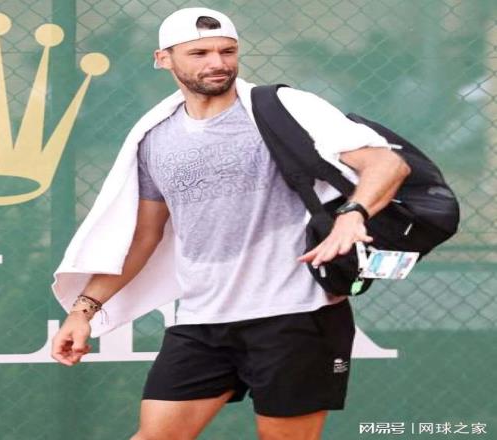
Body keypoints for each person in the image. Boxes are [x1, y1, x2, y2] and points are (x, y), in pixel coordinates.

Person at [51, 7, 411, 440]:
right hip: (201, 321)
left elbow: (387, 164)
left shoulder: (285, 108)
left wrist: (353, 214)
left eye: (227, 51)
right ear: (163, 59)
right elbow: (144, 237)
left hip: (296, 315)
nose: (217, 62)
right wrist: (83, 311)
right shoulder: (154, 138)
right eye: (199, 53)